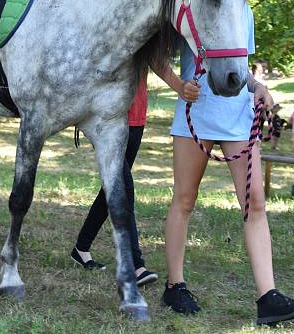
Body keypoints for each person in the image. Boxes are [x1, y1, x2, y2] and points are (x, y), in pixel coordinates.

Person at [161, 0, 294, 326]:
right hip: (197, 111)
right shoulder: (192, 1)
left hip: (237, 115)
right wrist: (179, 85)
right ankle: (174, 286)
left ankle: (268, 296)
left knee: (255, 203)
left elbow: (240, 69)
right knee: (185, 199)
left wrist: (260, 87)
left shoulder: (243, 8)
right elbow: (155, 56)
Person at [71, 65, 199, 287]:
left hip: (135, 113)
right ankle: (134, 264)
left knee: (112, 185)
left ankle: (81, 248)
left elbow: (156, 59)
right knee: (122, 187)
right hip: (103, 116)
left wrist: (180, 87)